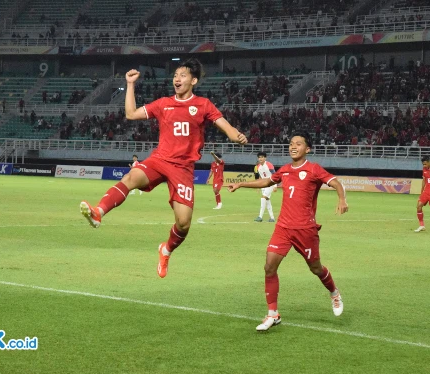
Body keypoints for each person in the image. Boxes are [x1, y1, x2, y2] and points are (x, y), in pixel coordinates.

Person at [80, 58, 247, 278]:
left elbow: (225, 125)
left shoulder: (203, 104)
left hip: (183, 168)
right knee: (131, 178)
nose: (177, 79)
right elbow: (131, 114)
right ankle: (98, 212)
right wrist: (130, 84)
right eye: (175, 75)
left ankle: (166, 249)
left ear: (193, 80)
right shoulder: (163, 103)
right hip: (160, 159)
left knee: (184, 223)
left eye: (183, 75)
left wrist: (236, 135)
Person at [228, 132, 348, 331]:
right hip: (283, 227)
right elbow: (267, 182)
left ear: (307, 149)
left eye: (298, 144)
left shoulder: (313, 169)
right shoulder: (284, 170)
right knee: (269, 266)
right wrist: (241, 183)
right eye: (291, 143)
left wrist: (342, 199)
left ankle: (334, 293)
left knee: (316, 268)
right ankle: (272, 314)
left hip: (305, 229)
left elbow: (335, 182)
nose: (293, 146)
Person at [254, 152, 277, 222]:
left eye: (262, 157)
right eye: (259, 157)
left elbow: (275, 175)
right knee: (267, 201)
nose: (260, 158)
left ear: (265, 158)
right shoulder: (258, 166)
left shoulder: (269, 165)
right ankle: (272, 218)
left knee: (263, 198)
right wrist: (258, 186)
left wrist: (275, 185)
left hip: (270, 183)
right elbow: (260, 177)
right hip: (263, 185)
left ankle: (260, 216)